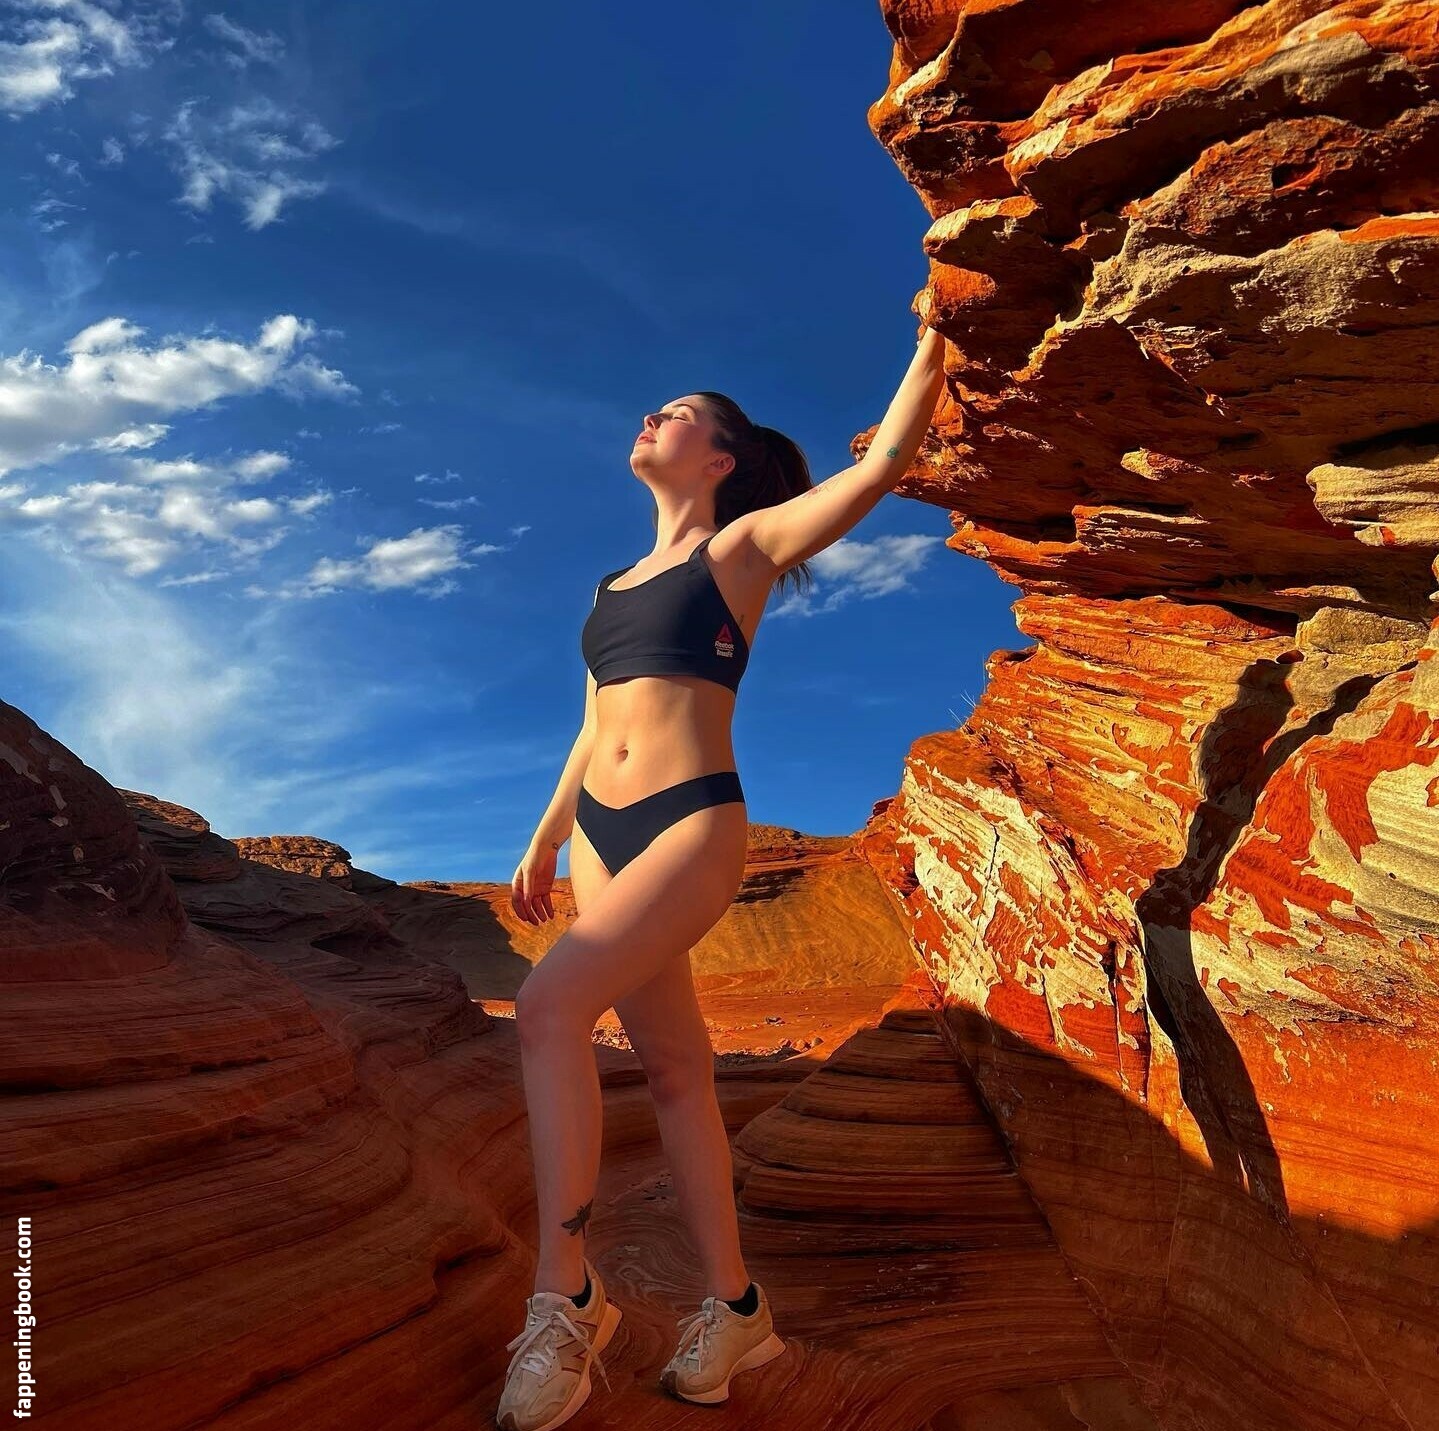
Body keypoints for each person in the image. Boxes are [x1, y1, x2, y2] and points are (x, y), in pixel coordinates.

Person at [497, 322, 948, 1430]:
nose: (651, 416)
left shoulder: (740, 547)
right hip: (598, 835)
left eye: (679, 413)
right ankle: (737, 1308)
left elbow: (882, 468)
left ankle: (565, 1300)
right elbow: (590, 723)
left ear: (719, 459)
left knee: (549, 1007)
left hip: (689, 820)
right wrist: (545, 835)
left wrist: (933, 341)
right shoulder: (612, 585)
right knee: (676, 1074)